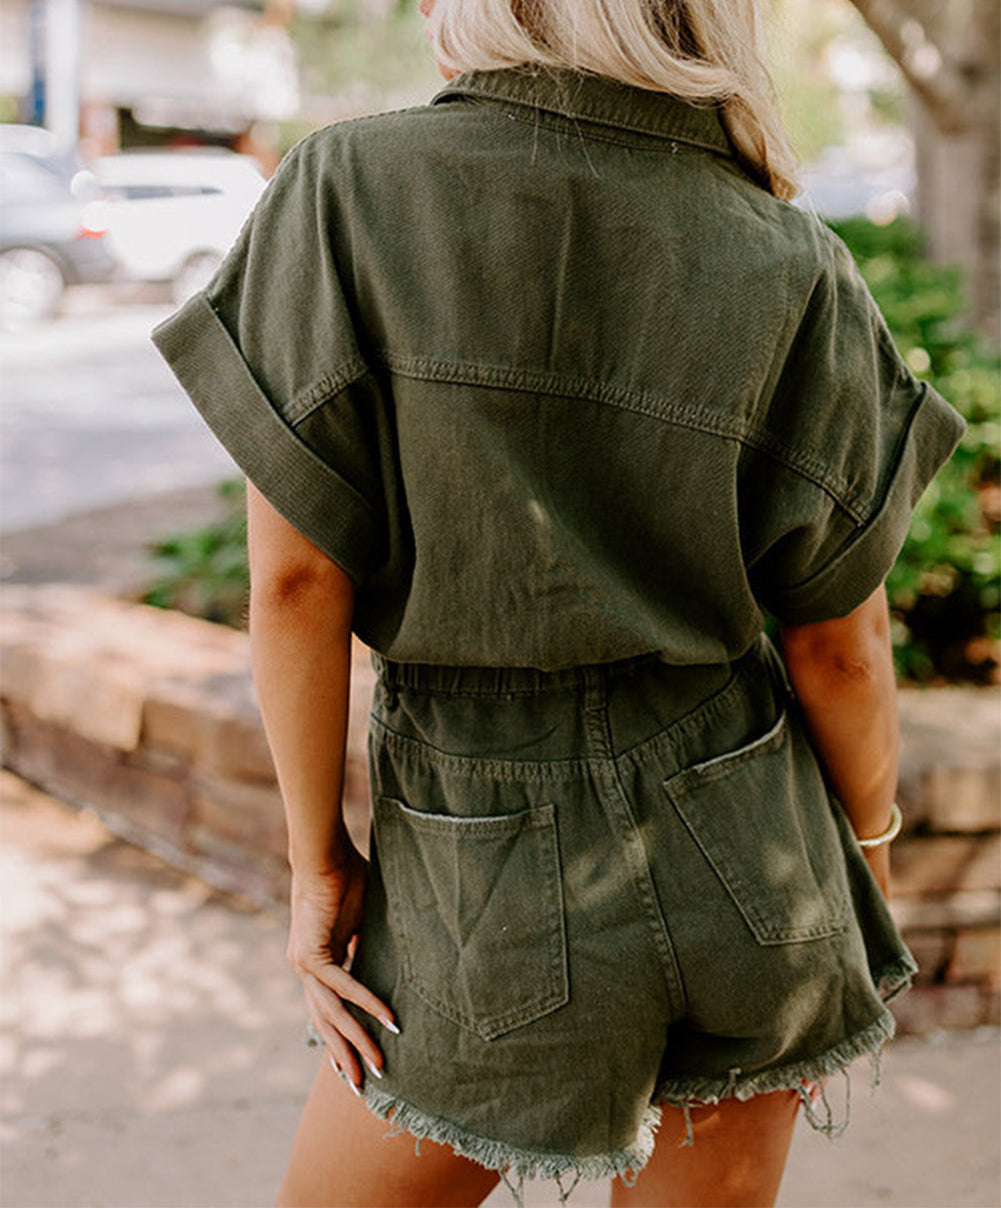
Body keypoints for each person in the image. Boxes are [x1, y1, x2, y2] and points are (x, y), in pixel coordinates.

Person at [152, 2, 966, 1204]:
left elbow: (297, 580)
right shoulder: (792, 258)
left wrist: (314, 861)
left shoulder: (349, 188)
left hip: (480, 863)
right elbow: (839, 642)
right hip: (756, 852)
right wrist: (864, 854)